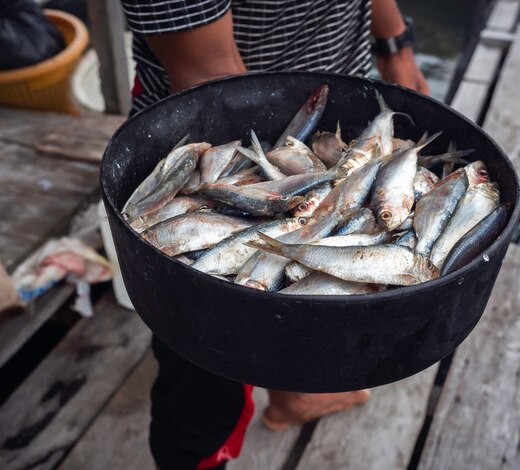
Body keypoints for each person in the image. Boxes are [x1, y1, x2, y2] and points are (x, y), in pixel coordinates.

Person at [119, 1, 429, 469]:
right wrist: (272, 184)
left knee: (311, 304)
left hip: (332, 115)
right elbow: (207, 73)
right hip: (214, 129)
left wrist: (394, 46)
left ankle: (292, 394)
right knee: (205, 369)